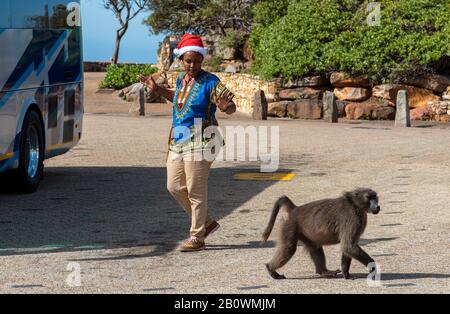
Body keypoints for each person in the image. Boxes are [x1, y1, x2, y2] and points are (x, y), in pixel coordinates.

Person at [139, 34, 236, 252]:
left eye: (196, 61)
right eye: (188, 61)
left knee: (195, 189)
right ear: (182, 60)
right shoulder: (181, 80)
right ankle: (207, 223)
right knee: (173, 186)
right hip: (179, 139)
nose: (192, 65)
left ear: (202, 60)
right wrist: (157, 90)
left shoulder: (212, 82)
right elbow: (177, 99)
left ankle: (197, 237)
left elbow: (230, 105)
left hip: (203, 139)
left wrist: (226, 106)